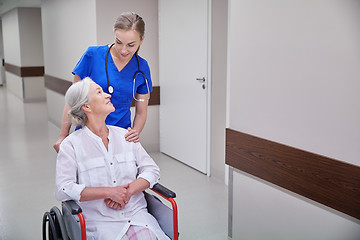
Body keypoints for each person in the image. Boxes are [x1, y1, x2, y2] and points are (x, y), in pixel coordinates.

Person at [55, 77, 169, 240]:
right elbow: (63, 189)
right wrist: (109, 192)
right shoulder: (71, 145)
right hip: (101, 224)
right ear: (86, 106)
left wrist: (128, 191)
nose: (108, 95)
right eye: (99, 92)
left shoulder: (125, 136)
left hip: (137, 218)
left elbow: (152, 170)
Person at [53, 12, 152, 152]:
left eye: (130, 45)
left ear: (141, 40)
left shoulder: (142, 67)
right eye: (118, 42)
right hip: (87, 134)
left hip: (121, 136)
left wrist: (135, 131)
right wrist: (63, 135)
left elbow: (142, 111)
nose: (123, 50)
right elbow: (72, 101)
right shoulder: (93, 55)